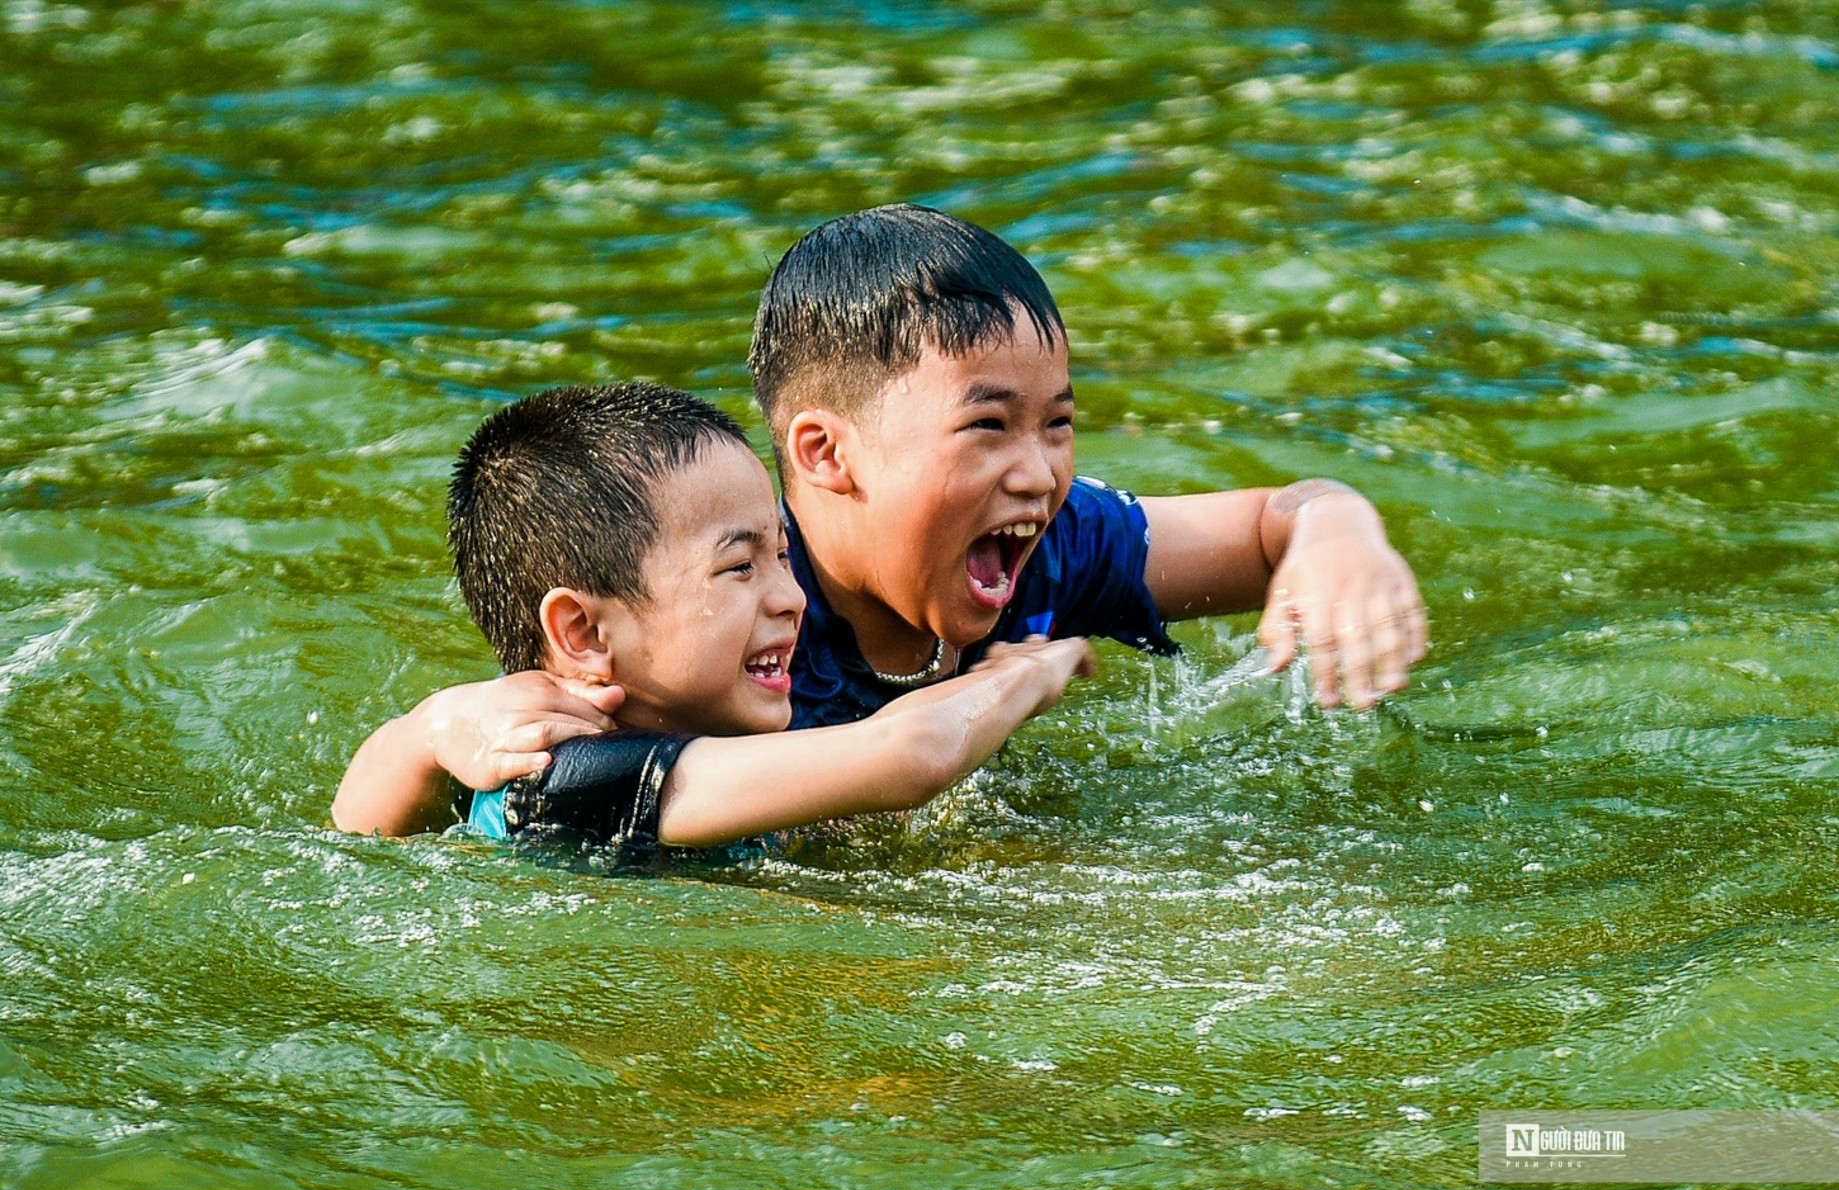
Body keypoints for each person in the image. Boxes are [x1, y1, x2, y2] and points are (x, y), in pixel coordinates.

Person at [330, 204, 1425, 833]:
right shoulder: (682, 662)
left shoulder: (1042, 547)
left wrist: (1340, 533)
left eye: (1059, 423)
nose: (1037, 473)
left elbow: (1283, 518)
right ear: (824, 455)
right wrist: (433, 731)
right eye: (987, 426)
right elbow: (410, 786)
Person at [330, 382, 1093, 863]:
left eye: (783, 556)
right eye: (738, 568)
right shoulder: (563, 779)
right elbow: (912, 755)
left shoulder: (713, 744)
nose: (791, 598)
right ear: (585, 635)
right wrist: (1025, 674)